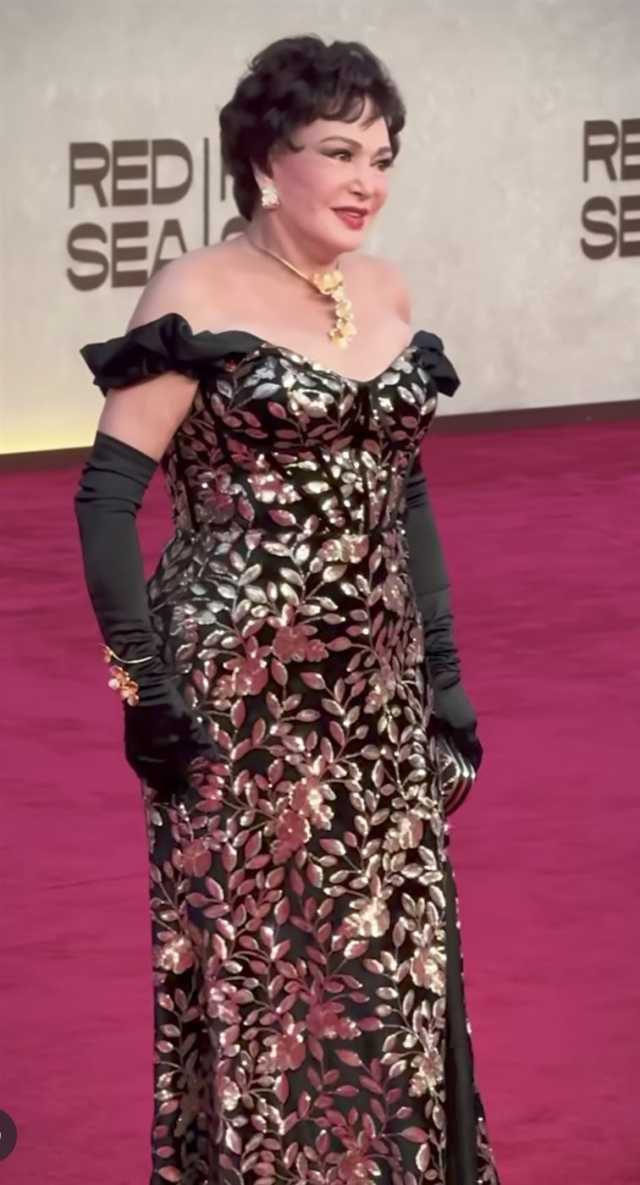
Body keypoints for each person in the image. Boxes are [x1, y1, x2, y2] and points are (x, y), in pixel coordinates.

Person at [74, 34, 500, 1185]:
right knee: (264, 980)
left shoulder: (386, 291)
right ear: (267, 161)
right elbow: (106, 501)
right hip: (238, 704)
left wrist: (445, 677)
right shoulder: (194, 294)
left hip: (377, 699)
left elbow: (407, 493)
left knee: (396, 971)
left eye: (383, 157)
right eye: (339, 152)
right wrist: (144, 687)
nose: (368, 181)